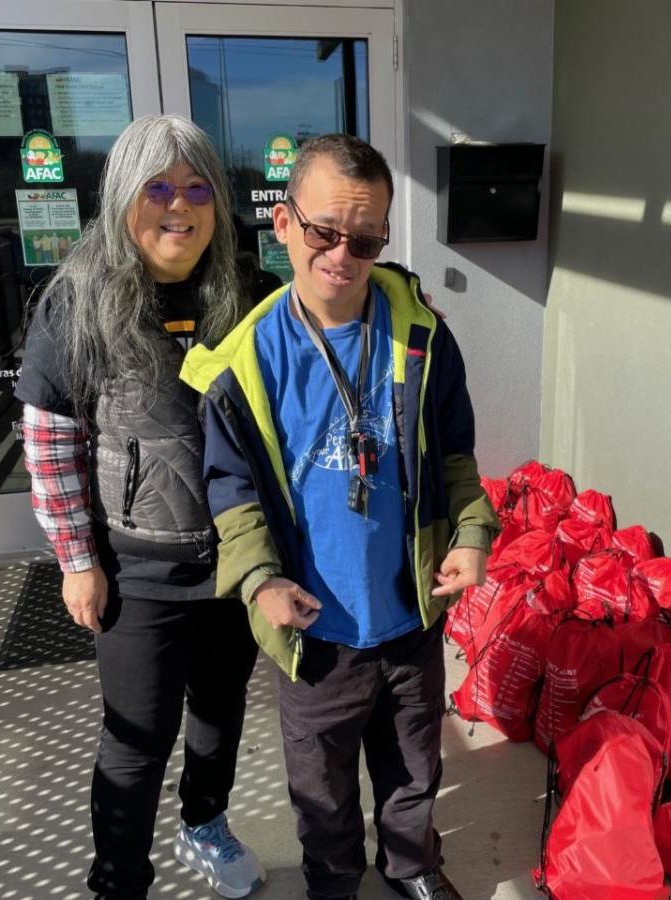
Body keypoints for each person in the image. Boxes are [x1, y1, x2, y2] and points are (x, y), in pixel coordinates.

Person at [180, 133, 500, 900]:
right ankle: (333, 882)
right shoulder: (248, 357)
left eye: (365, 237)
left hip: (411, 612)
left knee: (415, 766)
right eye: (325, 231)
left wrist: (473, 535)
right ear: (283, 224)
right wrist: (260, 580)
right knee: (322, 792)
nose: (343, 254)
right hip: (315, 629)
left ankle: (412, 867)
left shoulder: (422, 334)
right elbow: (231, 488)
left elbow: (455, 454)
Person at [15, 114, 265, 900]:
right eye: (157, 188)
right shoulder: (77, 302)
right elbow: (50, 444)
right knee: (136, 738)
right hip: (137, 571)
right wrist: (77, 562)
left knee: (219, 715)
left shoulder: (246, 292)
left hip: (232, 557)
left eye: (197, 189)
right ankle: (118, 878)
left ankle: (204, 822)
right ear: (124, 198)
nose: (178, 206)